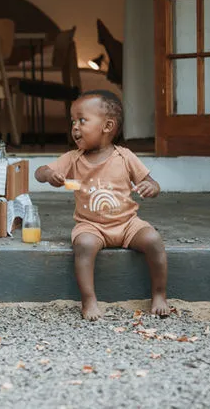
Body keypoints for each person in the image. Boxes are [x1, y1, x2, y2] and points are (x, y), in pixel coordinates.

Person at [35, 90, 169, 320]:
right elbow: (39, 172)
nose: (75, 127)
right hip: (91, 225)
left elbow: (150, 182)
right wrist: (49, 175)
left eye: (82, 120)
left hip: (127, 224)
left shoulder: (125, 156)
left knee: (154, 240)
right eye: (73, 122)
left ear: (107, 126)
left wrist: (152, 188)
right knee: (84, 245)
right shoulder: (73, 158)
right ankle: (88, 300)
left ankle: (159, 294)